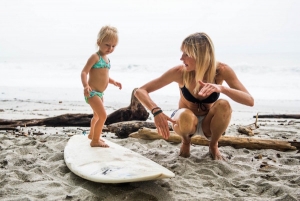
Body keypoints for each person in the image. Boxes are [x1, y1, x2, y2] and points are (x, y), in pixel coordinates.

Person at [134, 32, 254, 160]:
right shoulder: (180, 72)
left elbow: (249, 101)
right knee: (186, 115)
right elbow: (140, 91)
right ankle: (186, 142)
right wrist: (156, 111)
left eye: (186, 54)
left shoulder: (221, 71)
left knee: (224, 104)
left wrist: (222, 88)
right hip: (185, 124)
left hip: (209, 125)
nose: (181, 58)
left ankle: (213, 144)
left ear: (200, 56)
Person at [81, 25, 122, 147]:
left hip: (100, 94)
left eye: (113, 46)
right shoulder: (95, 57)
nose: (110, 48)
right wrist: (85, 86)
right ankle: (95, 141)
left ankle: (91, 135)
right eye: (107, 45)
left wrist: (113, 81)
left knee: (97, 116)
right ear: (99, 42)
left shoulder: (107, 59)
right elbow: (84, 72)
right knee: (103, 116)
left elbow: (103, 76)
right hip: (92, 93)